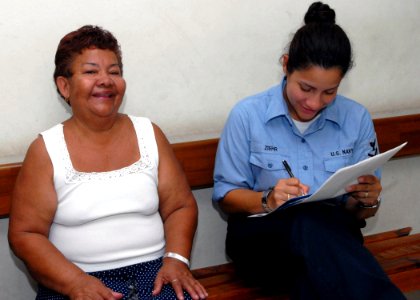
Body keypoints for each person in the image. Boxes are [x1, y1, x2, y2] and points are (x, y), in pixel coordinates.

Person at [212, 2, 406, 299]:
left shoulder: (356, 118)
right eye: (305, 88)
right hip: (261, 241)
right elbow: (226, 198)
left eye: (329, 92)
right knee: (307, 223)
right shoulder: (248, 115)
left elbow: (358, 211)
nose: (314, 103)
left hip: (330, 242)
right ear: (286, 64)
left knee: (315, 270)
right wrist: (268, 198)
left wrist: (367, 200)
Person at [8, 25, 207, 300]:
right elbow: (25, 234)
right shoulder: (46, 150)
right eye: (91, 72)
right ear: (64, 85)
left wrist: (175, 259)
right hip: (74, 278)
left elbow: (180, 206)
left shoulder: (150, 134)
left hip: (157, 274)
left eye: (114, 72)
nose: (106, 80)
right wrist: (76, 282)